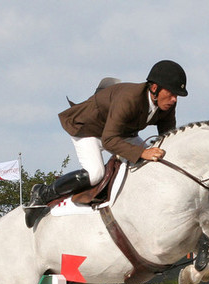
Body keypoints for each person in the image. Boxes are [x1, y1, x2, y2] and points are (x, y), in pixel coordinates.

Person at [24, 60, 188, 228]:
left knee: (157, 160)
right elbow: (109, 141)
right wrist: (142, 153)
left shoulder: (166, 105)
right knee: (95, 173)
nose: (174, 99)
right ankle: (43, 193)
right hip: (88, 129)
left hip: (119, 133)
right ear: (154, 88)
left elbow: (167, 137)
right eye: (172, 93)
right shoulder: (129, 98)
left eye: (177, 95)